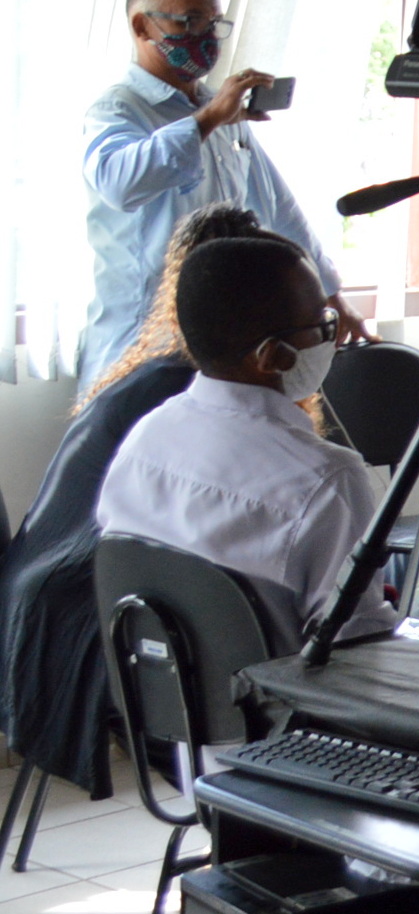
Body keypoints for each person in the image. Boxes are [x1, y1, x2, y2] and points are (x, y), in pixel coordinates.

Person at [1, 205, 273, 799]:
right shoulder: (186, 395)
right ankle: (246, 804)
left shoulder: (156, 372)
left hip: (44, 593)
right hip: (84, 602)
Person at [96, 235, 396, 653]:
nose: (335, 336)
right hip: (285, 711)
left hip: (165, 709)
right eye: (323, 326)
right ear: (271, 356)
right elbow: (358, 650)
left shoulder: (145, 439)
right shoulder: (326, 479)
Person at [80, 0, 363, 394]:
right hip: (140, 342)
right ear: (142, 26)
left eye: (213, 24)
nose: (206, 36)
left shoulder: (221, 111)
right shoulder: (119, 108)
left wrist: (328, 293)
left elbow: (276, 206)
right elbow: (120, 182)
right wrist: (208, 120)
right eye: (190, 21)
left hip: (217, 340)